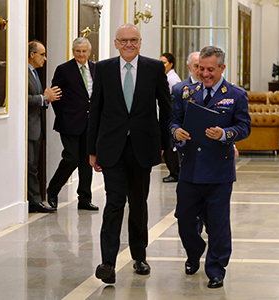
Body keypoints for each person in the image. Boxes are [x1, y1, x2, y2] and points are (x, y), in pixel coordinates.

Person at [87, 23, 171, 284]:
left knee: (138, 204)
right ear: (115, 43)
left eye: (133, 39)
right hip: (111, 149)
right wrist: (92, 151)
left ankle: (139, 256)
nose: (128, 44)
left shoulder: (154, 68)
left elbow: (165, 108)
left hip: (142, 149)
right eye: (123, 40)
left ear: (140, 42)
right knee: (113, 204)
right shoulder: (103, 69)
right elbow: (96, 111)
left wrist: (165, 145)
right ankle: (107, 263)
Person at [170, 46, 251, 288]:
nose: (205, 74)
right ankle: (194, 252)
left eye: (210, 70)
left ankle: (216, 269)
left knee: (218, 223)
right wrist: (177, 132)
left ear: (222, 68)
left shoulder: (236, 94)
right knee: (184, 219)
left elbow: (244, 127)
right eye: (201, 69)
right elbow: (173, 121)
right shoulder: (186, 92)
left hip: (219, 171)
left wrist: (225, 133)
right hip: (190, 169)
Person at [47, 37, 98, 211]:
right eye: (78, 51)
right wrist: (62, 115)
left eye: (84, 51)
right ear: (73, 52)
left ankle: (84, 198)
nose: (81, 54)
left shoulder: (95, 69)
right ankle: (53, 190)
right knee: (72, 157)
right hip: (69, 122)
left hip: (90, 124)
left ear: (89, 52)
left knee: (87, 161)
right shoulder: (64, 70)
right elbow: (55, 96)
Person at [28, 41, 62, 213]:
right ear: (32, 55)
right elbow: (23, 98)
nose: (45, 58)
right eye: (42, 54)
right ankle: (33, 201)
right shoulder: (24, 72)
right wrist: (43, 98)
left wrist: (46, 99)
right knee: (30, 167)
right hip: (29, 129)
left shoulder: (34, 73)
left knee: (33, 166)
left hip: (36, 128)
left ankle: (34, 200)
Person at [159, 53, 181, 183]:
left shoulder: (172, 79)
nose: (162, 65)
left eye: (164, 63)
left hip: (171, 117)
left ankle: (175, 173)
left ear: (171, 64)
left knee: (170, 146)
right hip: (167, 116)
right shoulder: (166, 77)